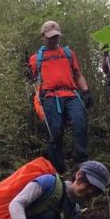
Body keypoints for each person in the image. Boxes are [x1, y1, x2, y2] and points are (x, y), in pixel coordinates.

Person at [29, 20, 92, 172]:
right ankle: (57, 169)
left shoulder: (68, 54)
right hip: (50, 97)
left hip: (71, 94)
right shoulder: (35, 58)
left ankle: (81, 162)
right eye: (50, 36)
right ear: (43, 36)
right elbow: (34, 82)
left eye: (56, 36)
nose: (53, 39)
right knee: (54, 132)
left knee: (80, 124)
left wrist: (86, 91)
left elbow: (77, 74)